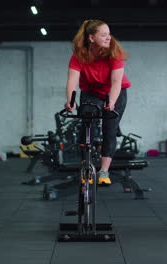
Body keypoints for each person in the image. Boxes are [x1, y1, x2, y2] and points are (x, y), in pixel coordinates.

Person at [64, 19, 131, 185]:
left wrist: (111, 102)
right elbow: (72, 81)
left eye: (109, 34)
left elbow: (116, 82)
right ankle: (85, 168)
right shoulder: (79, 56)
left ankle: (104, 171)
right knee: (86, 129)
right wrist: (70, 101)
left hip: (116, 92)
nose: (109, 38)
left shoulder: (115, 52)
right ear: (91, 38)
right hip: (91, 93)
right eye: (103, 35)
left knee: (110, 129)